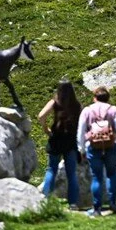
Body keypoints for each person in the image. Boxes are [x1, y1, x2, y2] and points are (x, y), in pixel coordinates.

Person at [77, 86, 116, 217]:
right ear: (108, 98)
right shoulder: (113, 109)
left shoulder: (87, 110)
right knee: (111, 174)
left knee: (96, 177)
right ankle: (113, 204)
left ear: (95, 98)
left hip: (93, 146)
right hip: (111, 145)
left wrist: (81, 149)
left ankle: (96, 208)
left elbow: (80, 131)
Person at [38, 80, 82, 209]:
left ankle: (45, 200)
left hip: (56, 138)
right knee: (71, 173)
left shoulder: (55, 102)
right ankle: (73, 203)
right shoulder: (77, 105)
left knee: (52, 169)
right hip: (71, 140)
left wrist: (46, 129)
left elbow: (41, 116)